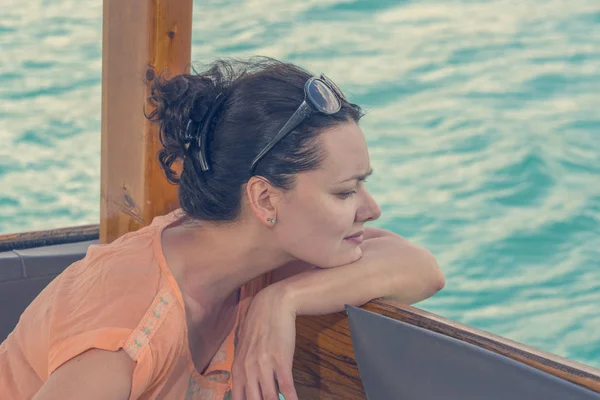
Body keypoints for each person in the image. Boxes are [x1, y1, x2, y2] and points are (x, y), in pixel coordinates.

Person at [0, 57, 445, 400]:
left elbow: (421, 268)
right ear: (265, 199)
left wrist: (283, 299)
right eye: (346, 192)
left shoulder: (251, 256)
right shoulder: (128, 339)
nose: (373, 209)